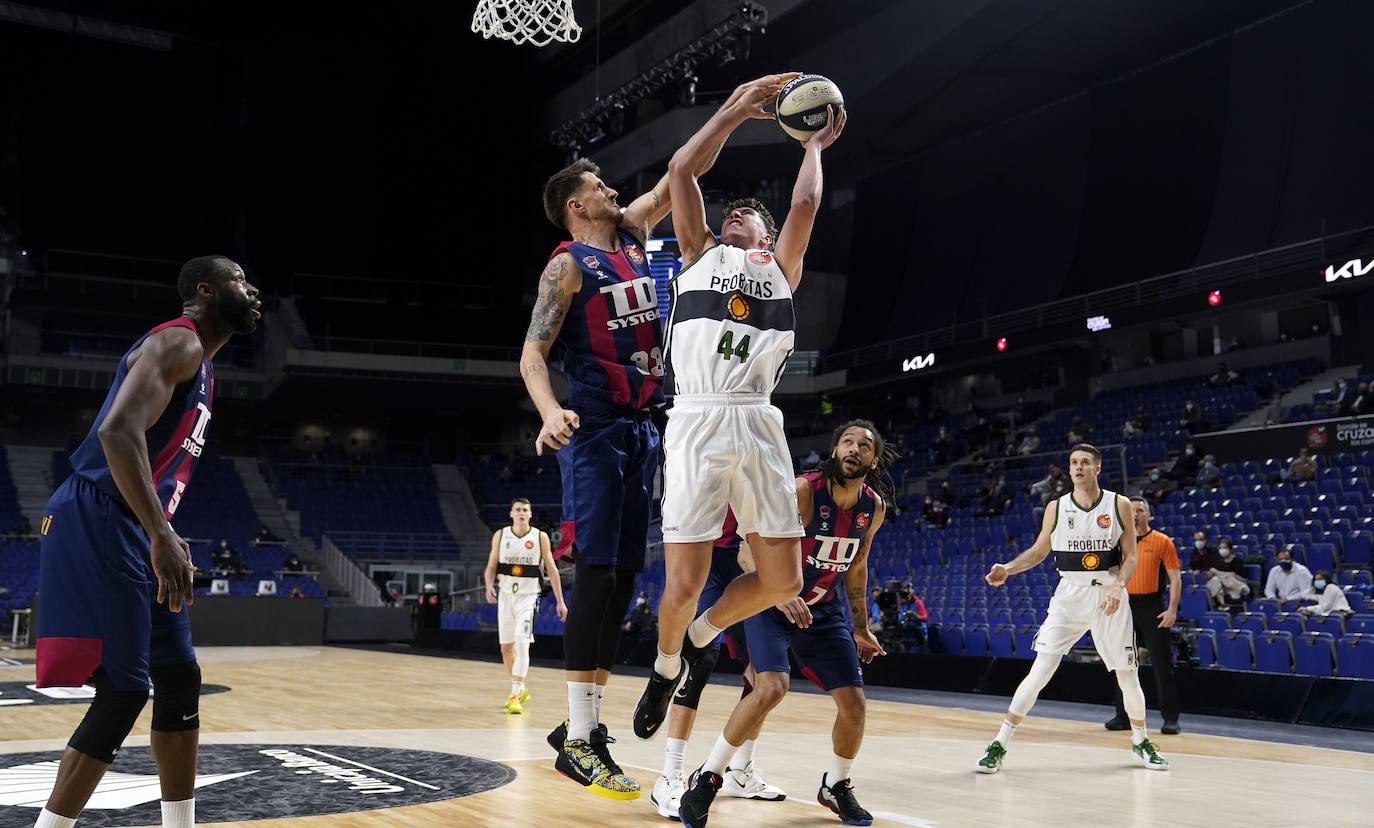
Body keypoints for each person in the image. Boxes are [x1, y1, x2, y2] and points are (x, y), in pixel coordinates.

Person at [634, 73, 848, 741]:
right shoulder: (696, 253)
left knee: (783, 581)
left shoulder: (778, 268)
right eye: (730, 212)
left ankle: (702, 636)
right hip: (696, 416)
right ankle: (668, 665)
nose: (735, 215)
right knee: (680, 584)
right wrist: (732, 113)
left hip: (757, 417)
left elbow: (808, 205)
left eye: (749, 214)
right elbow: (678, 169)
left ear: (764, 233)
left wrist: (812, 144)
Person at [523, 102, 715, 797]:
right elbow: (532, 356)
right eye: (601, 186)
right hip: (598, 432)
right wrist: (550, 413)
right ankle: (577, 738)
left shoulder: (632, 236)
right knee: (597, 580)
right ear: (578, 204)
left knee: (627, 583)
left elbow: (682, 171)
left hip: (645, 430)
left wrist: (736, 110)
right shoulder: (567, 267)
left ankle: (584, 726)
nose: (614, 191)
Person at [33, 256, 260, 828]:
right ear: (206, 292)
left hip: (136, 522)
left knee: (179, 678)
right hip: (102, 518)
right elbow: (116, 431)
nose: (252, 289)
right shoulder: (179, 344)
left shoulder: (204, 366)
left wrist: (162, 528)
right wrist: (158, 531)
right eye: (239, 280)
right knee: (123, 690)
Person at [677, 421, 891, 828]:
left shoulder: (873, 508)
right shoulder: (804, 491)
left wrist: (861, 627)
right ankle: (708, 777)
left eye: (864, 445)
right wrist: (781, 589)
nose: (854, 448)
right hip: (769, 602)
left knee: (855, 704)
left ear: (873, 460)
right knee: (770, 686)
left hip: (822, 610)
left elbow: (857, 566)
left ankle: (836, 785)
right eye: (847, 441)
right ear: (834, 451)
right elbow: (746, 552)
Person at [975, 444, 1169, 774]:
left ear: (1097, 468)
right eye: (1073, 463)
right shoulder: (1056, 507)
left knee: (1127, 674)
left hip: (1109, 593)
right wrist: (1007, 568)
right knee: (1039, 672)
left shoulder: (1118, 504)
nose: (1077, 467)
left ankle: (1141, 742)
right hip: (1069, 594)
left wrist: (1118, 586)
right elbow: (1038, 552)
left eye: (1084, 463)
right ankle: (999, 744)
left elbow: (1131, 556)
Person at [650, 519, 784, 821]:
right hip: (709, 552)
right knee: (700, 661)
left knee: (760, 671)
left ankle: (741, 770)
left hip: (755, 555)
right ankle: (670, 775)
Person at [1104, 498, 1182, 735]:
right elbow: (1110, 574)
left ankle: (1170, 718)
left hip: (1152, 606)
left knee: (1161, 663)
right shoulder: (1119, 543)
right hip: (1126, 605)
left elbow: (1175, 578)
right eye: (1132, 510)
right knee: (1123, 661)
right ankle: (1122, 715)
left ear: (1149, 515)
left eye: (1140, 510)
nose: (1135, 514)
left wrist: (1171, 610)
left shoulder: (1162, 541)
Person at [484, 497, 566, 716]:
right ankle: (520, 687)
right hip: (505, 596)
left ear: (530, 514)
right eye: (518, 510)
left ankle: (514, 692)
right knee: (506, 648)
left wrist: (560, 601)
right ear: (511, 513)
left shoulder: (540, 537)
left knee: (522, 643)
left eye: (525, 510)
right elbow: (491, 566)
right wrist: (488, 586)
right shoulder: (501, 536)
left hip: (528, 597)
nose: (521, 513)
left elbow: (552, 570)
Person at [1205, 540, 1250, 609]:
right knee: (1214, 580)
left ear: (1230, 549)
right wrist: (1210, 574)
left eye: (1224, 548)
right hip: (1225, 588)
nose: (1222, 550)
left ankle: (1240, 589)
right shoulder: (1220, 563)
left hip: (1237, 582)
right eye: (1220, 548)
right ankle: (1223, 604)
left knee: (1226, 577)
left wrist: (1217, 572)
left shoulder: (1237, 560)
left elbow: (1234, 574)